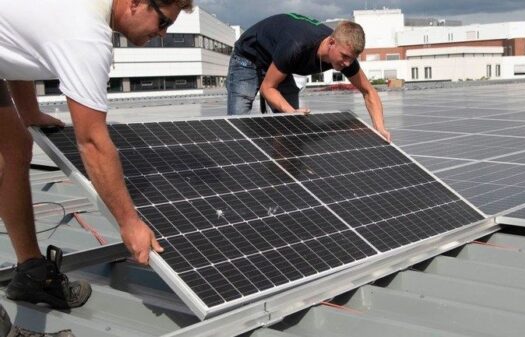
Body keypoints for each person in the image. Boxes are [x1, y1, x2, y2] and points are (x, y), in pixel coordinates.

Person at [0, 0, 192, 313]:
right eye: (162, 22)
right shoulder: (86, 34)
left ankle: (30, 272)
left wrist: (31, 112)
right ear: (135, 4)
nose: (162, 35)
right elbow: (91, 141)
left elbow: (16, 47)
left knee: (15, 148)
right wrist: (129, 224)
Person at [226, 13, 391, 142]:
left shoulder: (345, 58)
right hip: (248, 58)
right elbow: (268, 88)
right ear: (331, 43)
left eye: (352, 59)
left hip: (280, 62)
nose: (348, 64)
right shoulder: (297, 46)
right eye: (344, 56)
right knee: (239, 124)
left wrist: (380, 127)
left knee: (291, 126)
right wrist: (291, 111)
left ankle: (282, 171)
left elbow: (368, 91)